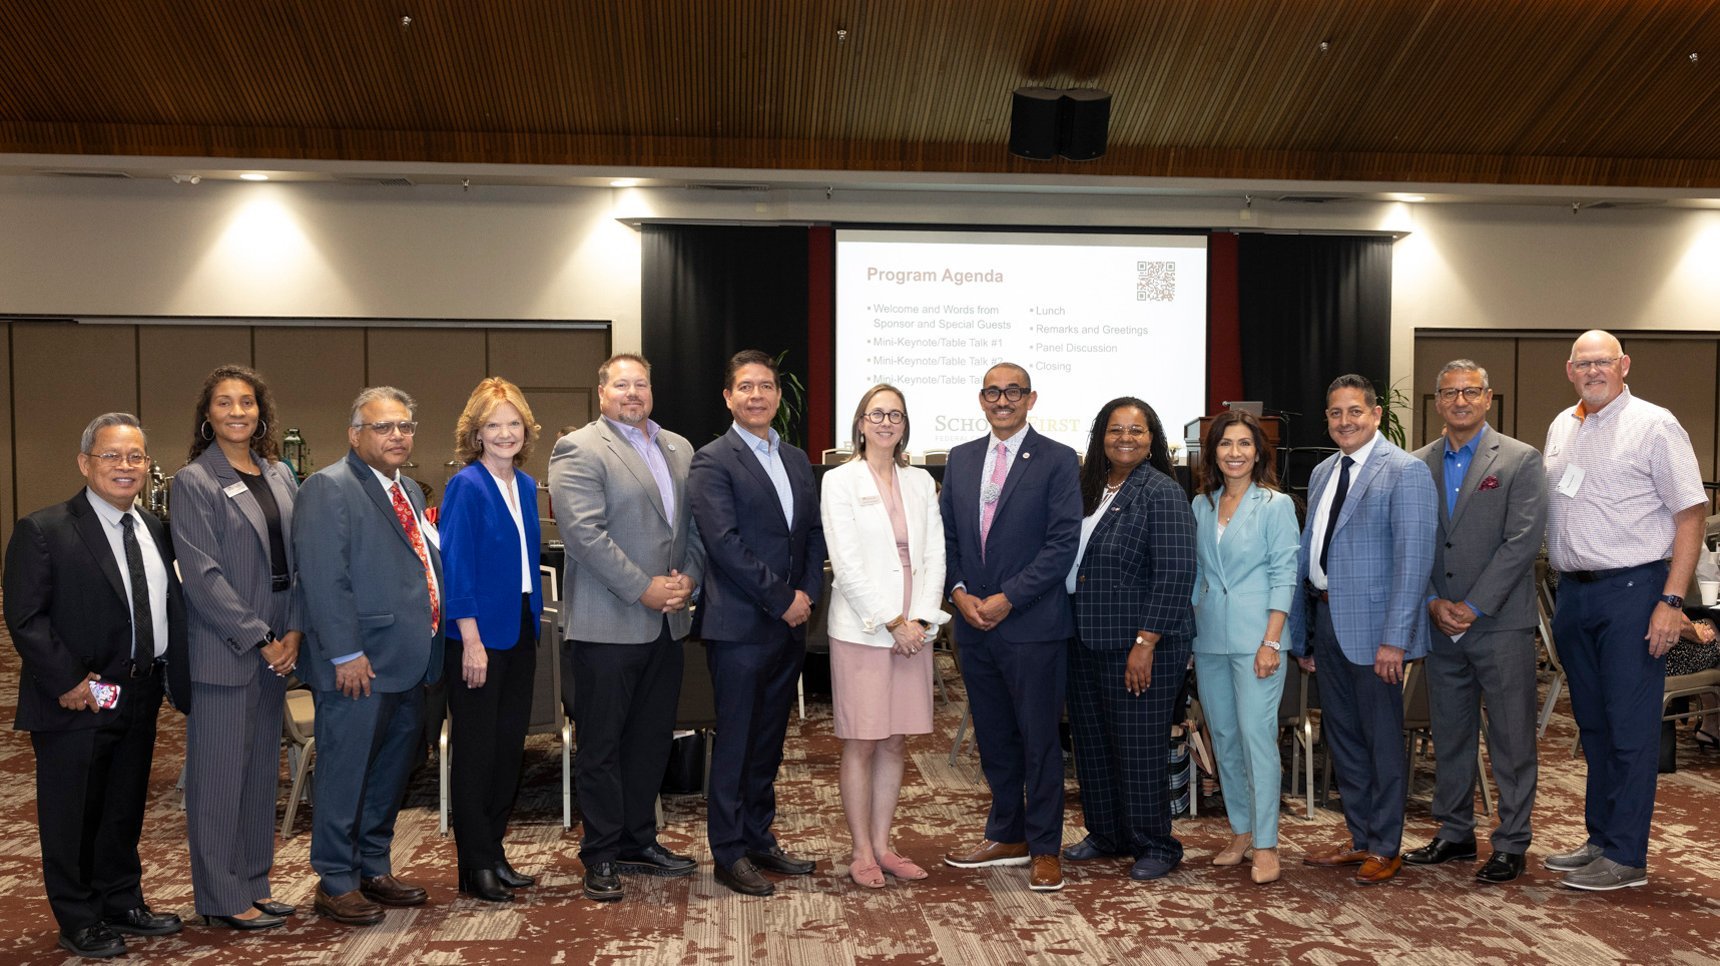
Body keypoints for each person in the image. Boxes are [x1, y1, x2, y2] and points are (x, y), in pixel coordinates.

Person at [3, 413, 190, 959]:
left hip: (139, 690)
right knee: (73, 812)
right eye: (111, 456)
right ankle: (78, 916)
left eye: (136, 456)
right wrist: (67, 679)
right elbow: (26, 617)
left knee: (123, 805)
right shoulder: (44, 529)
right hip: (76, 697)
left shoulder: (155, 528)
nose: (125, 467)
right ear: (85, 463)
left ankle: (121, 899)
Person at [1541, 330, 1707, 891]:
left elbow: (1690, 515)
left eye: (1603, 362)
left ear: (1624, 365)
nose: (1593, 371)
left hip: (1635, 591)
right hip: (1575, 593)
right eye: (1583, 363)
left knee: (1631, 729)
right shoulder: (1563, 425)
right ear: (1569, 370)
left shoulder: (1655, 424)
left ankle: (1628, 857)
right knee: (1594, 725)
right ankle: (1601, 840)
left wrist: (1671, 601)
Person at [549, 353, 705, 903]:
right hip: (608, 624)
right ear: (602, 392)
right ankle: (600, 852)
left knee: (648, 743)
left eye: (641, 383)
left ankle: (640, 840)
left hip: (667, 625)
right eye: (621, 384)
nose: (632, 393)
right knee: (602, 746)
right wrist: (643, 587)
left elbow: (691, 530)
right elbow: (583, 534)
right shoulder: (580, 448)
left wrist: (689, 579)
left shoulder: (679, 448)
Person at [295, 387, 445, 926]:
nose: (397, 436)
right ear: (355, 434)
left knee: (389, 773)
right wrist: (345, 652)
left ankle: (373, 865)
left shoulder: (404, 489)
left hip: (410, 661)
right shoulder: (328, 488)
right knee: (345, 772)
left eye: (405, 426)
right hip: (359, 664)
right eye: (384, 427)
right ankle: (335, 879)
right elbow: (323, 579)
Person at [1402, 360, 1547, 884]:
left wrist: (1474, 606)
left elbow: (1523, 542)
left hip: (1499, 624)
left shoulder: (1520, 460)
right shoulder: (1416, 465)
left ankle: (1511, 842)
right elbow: (1414, 543)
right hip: (1441, 624)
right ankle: (1455, 832)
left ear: (1488, 398)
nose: (1459, 401)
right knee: (1451, 733)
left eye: (1470, 392)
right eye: (1449, 393)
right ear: (1436, 402)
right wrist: (1437, 602)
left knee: (1511, 738)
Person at [939, 362, 1082, 892]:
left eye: (1013, 392)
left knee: (1039, 739)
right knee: (995, 737)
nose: (1003, 400)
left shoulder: (1058, 460)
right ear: (981, 400)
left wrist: (1008, 598)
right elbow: (948, 537)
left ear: (1030, 399)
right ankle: (1007, 833)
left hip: (1031, 625)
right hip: (973, 625)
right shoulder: (960, 459)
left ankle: (1046, 847)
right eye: (993, 392)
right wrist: (958, 594)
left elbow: (1062, 543)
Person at [689, 349, 828, 896]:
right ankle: (728, 852)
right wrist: (782, 598)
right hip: (742, 624)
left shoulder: (795, 458)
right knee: (738, 739)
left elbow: (812, 533)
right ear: (728, 397)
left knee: (770, 739)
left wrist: (809, 594)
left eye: (766, 386)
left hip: (789, 623)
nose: (757, 395)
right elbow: (724, 545)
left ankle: (758, 838)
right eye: (745, 386)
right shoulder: (712, 460)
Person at [1289, 374, 1436, 885]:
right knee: (1344, 737)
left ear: (1376, 414)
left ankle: (1387, 845)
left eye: (1355, 411)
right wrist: (1306, 634)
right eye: (1335, 413)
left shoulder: (1406, 472)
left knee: (1380, 740)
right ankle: (1360, 838)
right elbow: (1311, 552)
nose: (1344, 421)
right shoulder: (1325, 470)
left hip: (1378, 635)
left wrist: (1395, 640)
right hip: (1328, 621)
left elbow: (1414, 562)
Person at [172, 366, 303, 929]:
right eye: (224, 403)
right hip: (228, 644)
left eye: (246, 402)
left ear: (261, 412)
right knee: (219, 778)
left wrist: (293, 628)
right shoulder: (194, 480)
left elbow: (300, 559)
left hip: (282, 632)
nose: (236, 412)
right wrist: (261, 637)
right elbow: (201, 575)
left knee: (257, 778)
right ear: (208, 414)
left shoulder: (279, 473)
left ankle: (254, 882)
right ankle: (221, 898)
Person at [1062, 397, 1198, 882]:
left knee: (1139, 746)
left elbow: (1176, 573)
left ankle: (1156, 843)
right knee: (1093, 743)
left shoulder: (1161, 491)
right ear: (1101, 436)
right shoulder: (1086, 488)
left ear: (1152, 439)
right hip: (1083, 636)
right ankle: (1106, 833)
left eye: (1137, 430)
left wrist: (1147, 642)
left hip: (1143, 645)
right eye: (1115, 429)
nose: (1125, 438)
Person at [820, 384, 949, 888]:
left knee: (895, 741)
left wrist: (918, 619)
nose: (886, 422)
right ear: (860, 423)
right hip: (863, 629)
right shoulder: (839, 481)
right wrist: (890, 620)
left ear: (904, 424)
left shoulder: (919, 482)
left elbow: (935, 554)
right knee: (862, 741)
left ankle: (883, 844)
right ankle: (860, 851)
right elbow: (846, 564)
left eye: (895, 414)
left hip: (914, 630)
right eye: (877, 413)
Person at [438, 378, 545, 903]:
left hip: (521, 630)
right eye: (493, 425)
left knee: (509, 751)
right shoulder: (466, 486)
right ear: (475, 434)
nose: (505, 433)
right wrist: (471, 639)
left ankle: (495, 854)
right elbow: (455, 567)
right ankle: (474, 864)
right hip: (477, 638)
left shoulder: (525, 485)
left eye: (513, 423)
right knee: (477, 752)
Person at [1189, 409, 1300, 886]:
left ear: (1259, 453)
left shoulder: (1274, 505)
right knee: (1225, 739)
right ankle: (1240, 830)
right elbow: (1196, 574)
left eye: (1244, 444)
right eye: (1225, 444)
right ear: (1212, 452)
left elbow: (1284, 575)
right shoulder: (1200, 504)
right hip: (1209, 638)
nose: (1234, 453)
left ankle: (1267, 843)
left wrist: (1272, 640)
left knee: (1258, 740)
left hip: (1260, 639)